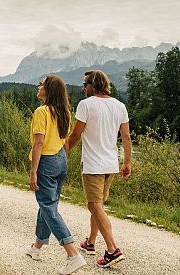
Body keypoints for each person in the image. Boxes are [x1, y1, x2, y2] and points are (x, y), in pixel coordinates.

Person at [65, 70, 132, 268]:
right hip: (111, 164)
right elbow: (126, 137)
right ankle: (91, 243)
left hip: (93, 165)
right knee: (98, 205)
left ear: (93, 85)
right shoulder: (120, 106)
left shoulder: (86, 104)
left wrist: (63, 153)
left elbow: (76, 135)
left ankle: (113, 250)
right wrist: (127, 162)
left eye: (85, 83)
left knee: (94, 205)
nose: (83, 87)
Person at [26, 75, 86, 275]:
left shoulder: (41, 111)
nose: (38, 87)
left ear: (49, 90)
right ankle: (37, 247)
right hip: (60, 159)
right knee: (48, 204)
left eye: (41, 84)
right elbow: (64, 140)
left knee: (48, 206)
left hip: (46, 161)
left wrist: (34, 170)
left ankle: (73, 254)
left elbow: (39, 143)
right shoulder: (64, 112)